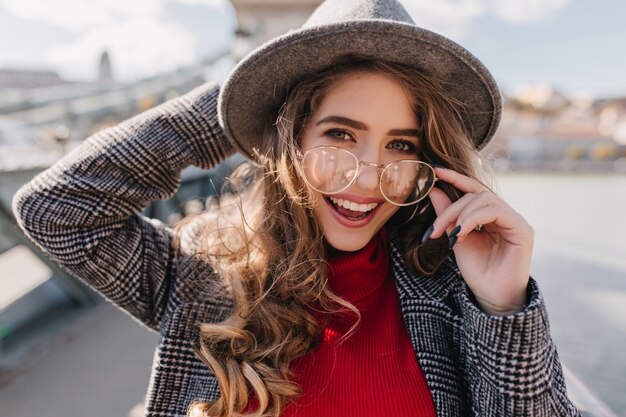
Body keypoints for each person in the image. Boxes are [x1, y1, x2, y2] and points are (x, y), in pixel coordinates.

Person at [12, 0, 581, 416]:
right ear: (290, 140)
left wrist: (505, 305)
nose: (366, 177)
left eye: (401, 146)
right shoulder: (200, 276)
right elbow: (57, 207)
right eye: (339, 135)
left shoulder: (458, 293)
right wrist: (254, 91)